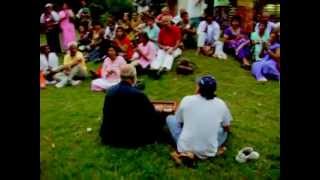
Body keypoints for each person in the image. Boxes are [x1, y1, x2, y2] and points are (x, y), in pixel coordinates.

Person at [166, 75, 232, 163]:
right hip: (208, 150)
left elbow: (180, 121)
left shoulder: (187, 99)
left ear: (198, 88)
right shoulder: (221, 104)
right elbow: (227, 127)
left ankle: (187, 153)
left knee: (170, 118)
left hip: (184, 146)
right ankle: (210, 152)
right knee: (223, 131)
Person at [99, 64, 162, 147]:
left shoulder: (110, 91)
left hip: (109, 136)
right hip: (131, 139)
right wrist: (158, 111)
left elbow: (106, 112)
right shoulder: (138, 94)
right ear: (134, 76)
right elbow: (150, 114)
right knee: (158, 116)